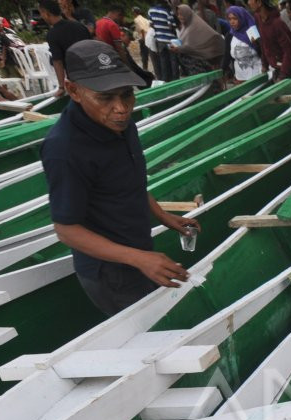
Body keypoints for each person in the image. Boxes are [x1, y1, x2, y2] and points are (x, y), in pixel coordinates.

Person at [41, 40, 200, 315]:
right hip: (111, 273)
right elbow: (66, 230)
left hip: (138, 250)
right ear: (73, 91)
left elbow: (128, 181)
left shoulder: (120, 124)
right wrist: (139, 259)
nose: (121, 108)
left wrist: (162, 215)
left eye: (127, 95)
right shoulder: (65, 149)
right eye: (105, 98)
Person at [97, 5, 152, 85]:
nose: (121, 20)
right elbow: (119, 48)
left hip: (104, 59)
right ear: (118, 14)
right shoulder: (112, 25)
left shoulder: (98, 22)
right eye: (122, 17)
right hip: (115, 57)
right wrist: (127, 65)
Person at [170, 3, 225, 74]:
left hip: (201, 64)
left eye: (182, 14)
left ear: (187, 14)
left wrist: (178, 49)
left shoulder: (193, 26)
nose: (179, 17)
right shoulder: (185, 27)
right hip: (191, 65)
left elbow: (191, 47)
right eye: (178, 14)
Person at [249, 0, 291, 77]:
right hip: (276, 68)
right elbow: (263, 43)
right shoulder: (258, 18)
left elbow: (288, 51)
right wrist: (264, 64)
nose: (248, 2)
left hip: (289, 69)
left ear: (259, 3)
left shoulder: (277, 23)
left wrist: (282, 75)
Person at [226, 4, 262, 79]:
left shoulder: (251, 31)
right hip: (240, 76)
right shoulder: (230, 35)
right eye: (229, 19)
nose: (232, 22)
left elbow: (261, 49)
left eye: (235, 18)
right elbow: (227, 55)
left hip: (256, 74)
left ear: (241, 18)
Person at [148, 0, 178, 80]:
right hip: (172, 39)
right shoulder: (168, 11)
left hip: (159, 39)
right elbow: (172, 26)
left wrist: (159, 30)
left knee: (163, 60)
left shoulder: (151, 10)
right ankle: (175, 79)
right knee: (174, 60)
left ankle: (166, 79)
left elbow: (151, 24)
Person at [133, 5, 151, 71]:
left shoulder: (136, 19)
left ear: (135, 13)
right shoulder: (145, 19)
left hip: (143, 38)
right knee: (149, 53)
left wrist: (143, 39)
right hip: (149, 37)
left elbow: (142, 29)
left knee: (143, 54)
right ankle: (146, 67)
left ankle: (145, 68)